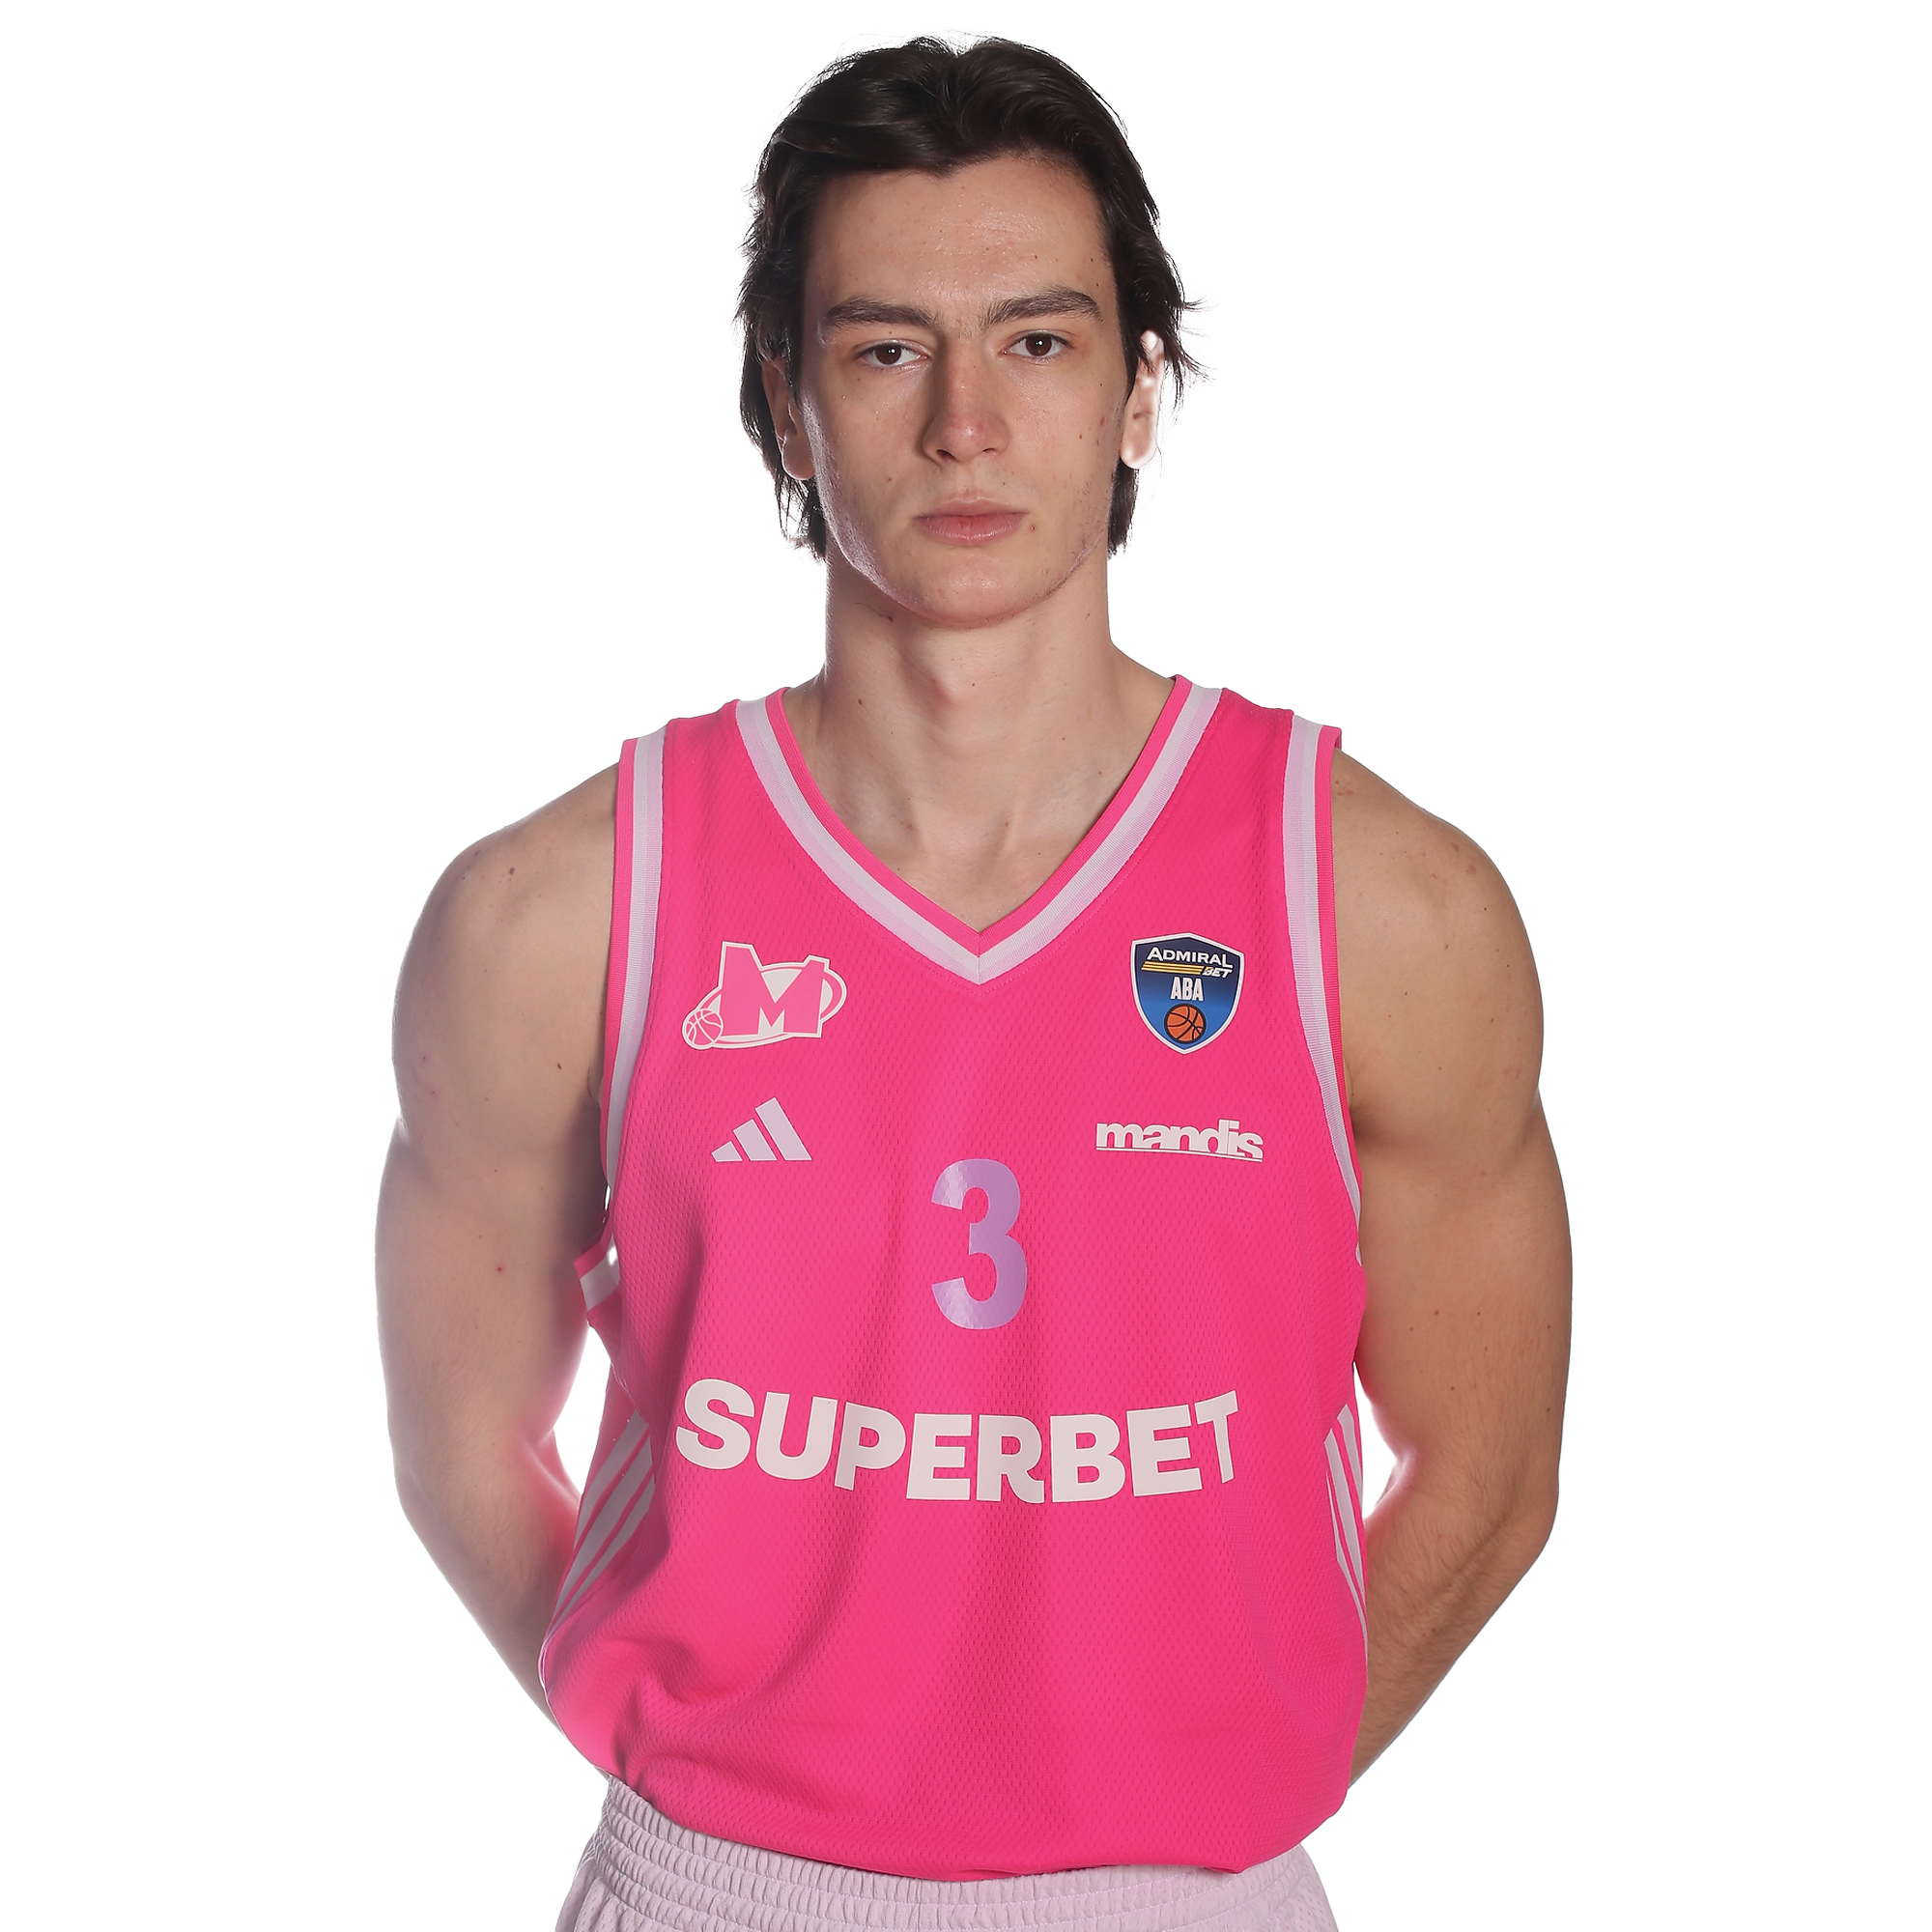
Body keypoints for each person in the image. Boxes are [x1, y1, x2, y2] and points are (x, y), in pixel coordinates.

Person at [377, 34, 1569, 1932]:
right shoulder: (553, 916)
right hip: (718, 1891)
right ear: (784, 405)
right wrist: (713, 1775)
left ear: (1139, 390)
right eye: (881, 349)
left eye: (1036, 340)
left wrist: (1213, 1808)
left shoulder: (1380, 904)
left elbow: (1489, 1469)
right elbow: (457, 1434)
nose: (963, 423)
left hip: (1194, 1895)